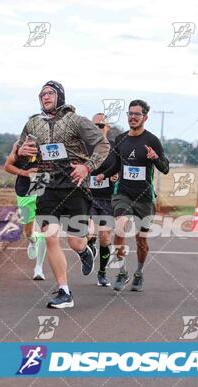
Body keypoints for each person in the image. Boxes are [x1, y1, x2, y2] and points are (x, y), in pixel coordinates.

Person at [17, 80, 110, 308]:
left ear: (60, 96)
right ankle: (64, 292)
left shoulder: (76, 121)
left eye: (50, 93)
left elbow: (103, 146)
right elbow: (22, 152)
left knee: (75, 241)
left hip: (74, 185)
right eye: (42, 94)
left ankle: (84, 248)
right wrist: (22, 152)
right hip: (47, 186)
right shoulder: (33, 124)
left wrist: (87, 167)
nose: (45, 97)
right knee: (50, 236)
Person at [96, 99, 169, 292]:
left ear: (145, 117)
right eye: (130, 113)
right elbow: (117, 165)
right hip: (123, 193)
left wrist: (155, 158)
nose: (133, 117)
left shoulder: (152, 140)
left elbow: (165, 168)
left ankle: (138, 272)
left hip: (144, 197)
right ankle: (122, 271)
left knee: (141, 240)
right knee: (120, 228)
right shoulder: (120, 139)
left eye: (137, 114)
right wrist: (104, 174)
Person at [4, 139, 46, 280]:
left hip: (42, 183)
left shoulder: (51, 142)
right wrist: (25, 172)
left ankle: (39, 268)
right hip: (24, 189)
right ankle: (32, 241)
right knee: (28, 232)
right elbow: (8, 166)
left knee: (44, 229)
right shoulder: (19, 144)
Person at [86, 113, 118, 287]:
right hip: (87, 197)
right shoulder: (84, 147)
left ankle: (102, 273)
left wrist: (117, 176)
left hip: (107, 197)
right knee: (88, 232)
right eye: (95, 125)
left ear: (108, 128)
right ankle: (90, 246)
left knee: (105, 237)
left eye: (101, 125)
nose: (98, 128)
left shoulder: (115, 148)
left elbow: (121, 168)